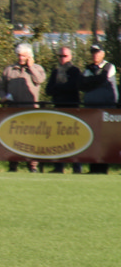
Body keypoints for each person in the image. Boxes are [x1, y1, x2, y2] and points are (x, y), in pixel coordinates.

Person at [1, 43, 46, 172]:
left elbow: (40, 80)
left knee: (32, 140)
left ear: (29, 56)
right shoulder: (9, 69)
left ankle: (33, 166)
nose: (20, 58)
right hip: (13, 110)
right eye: (19, 55)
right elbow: (1, 87)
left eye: (24, 56)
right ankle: (13, 165)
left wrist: (31, 67)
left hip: (30, 111)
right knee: (13, 139)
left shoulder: (37, 68)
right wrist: (3, 96)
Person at [80, 43, 118, 174]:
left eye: (97, 52)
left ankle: (103, 168)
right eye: (93, 52)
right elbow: (82, 84)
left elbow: (102, 78)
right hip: (91, 109)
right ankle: (93, 168)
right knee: (92, 139)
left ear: (103, 53)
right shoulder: (88, 68)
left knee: (104, 141)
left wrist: (90, 81)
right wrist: (93, 81)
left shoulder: (109, 66)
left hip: (106, 109)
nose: (94, 55)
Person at [46, 46, 82, 173]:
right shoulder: (55, 72)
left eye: (65, 56)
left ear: (70, 57)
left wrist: (58, 87)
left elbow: (73, 87)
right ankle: (58, 167)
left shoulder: (74, 71)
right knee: (58, 140)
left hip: (72, 109)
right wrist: (61, 87)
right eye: (60, 56)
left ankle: (76, 167)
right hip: (58, 109)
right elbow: (48, 90)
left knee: (74, 140)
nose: (62, 58)